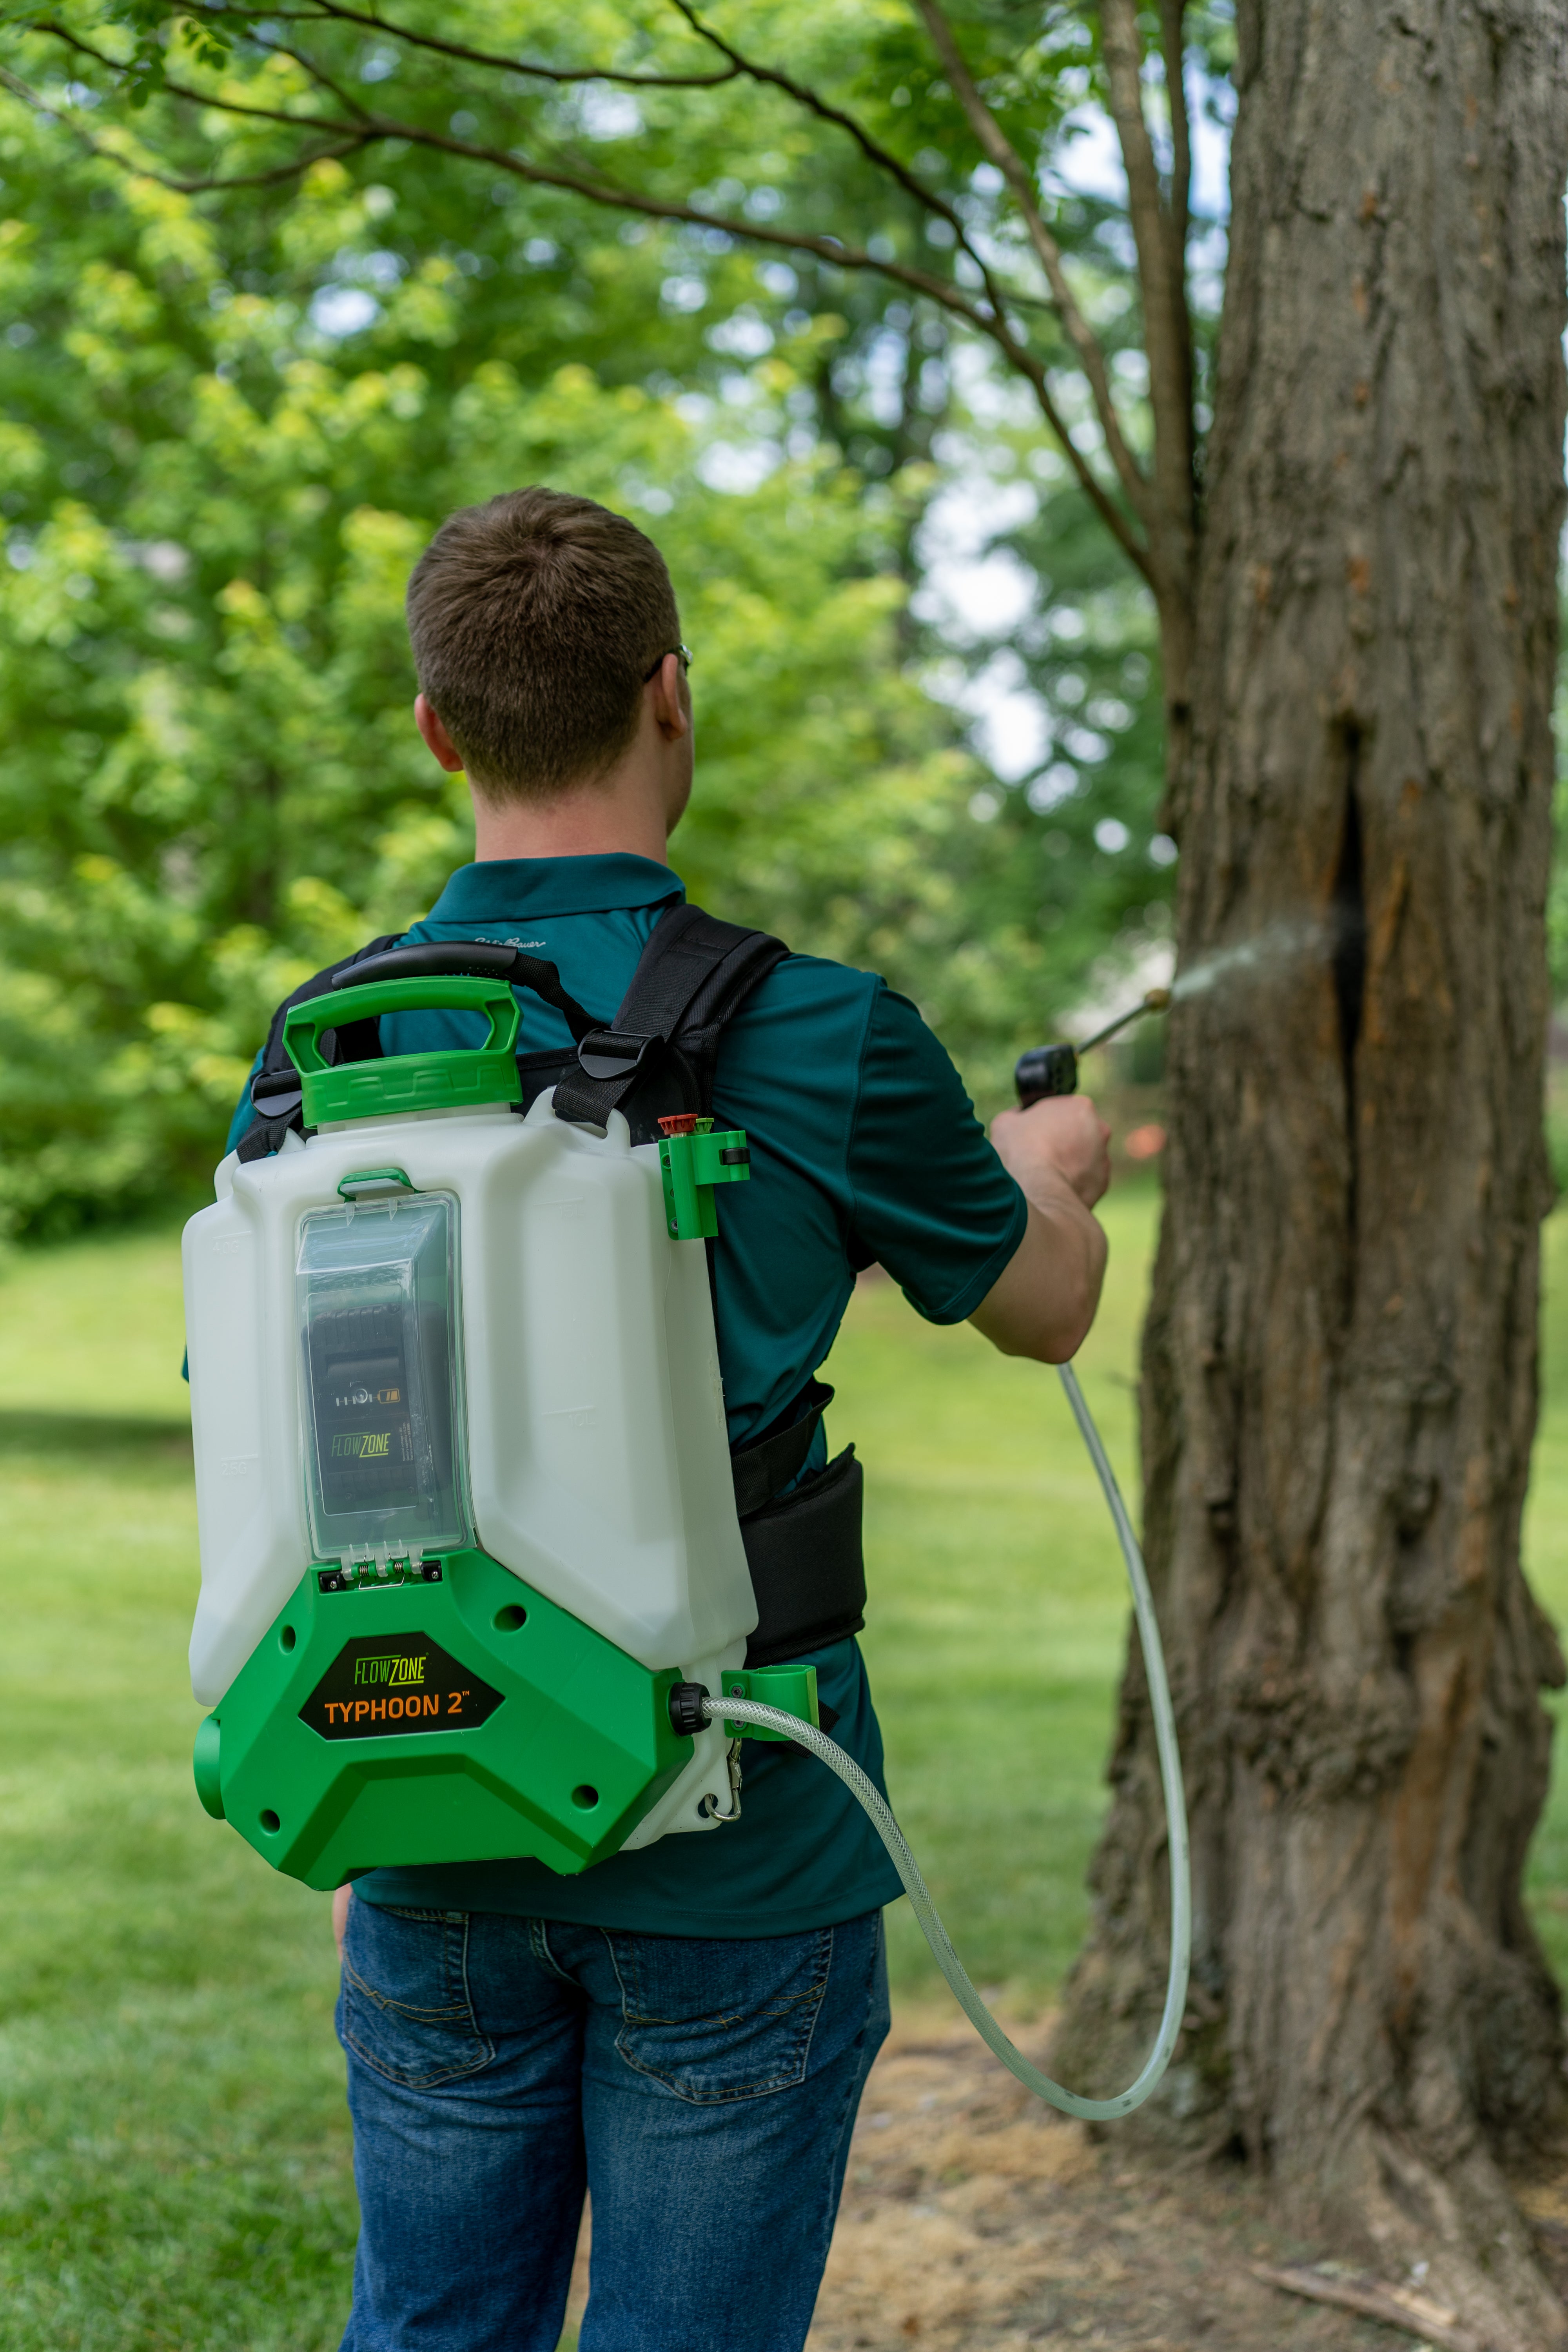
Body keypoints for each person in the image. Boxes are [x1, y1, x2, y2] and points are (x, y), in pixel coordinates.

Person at [225, 488, 1111, 2352]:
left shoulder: (316, 1064)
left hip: (419, 1814)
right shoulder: (822, 1032)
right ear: (672, 697)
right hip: (743, 1853)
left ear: (439, 731)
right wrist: (1050, 1174)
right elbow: (1046, 1305)